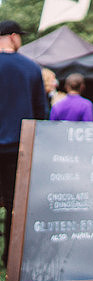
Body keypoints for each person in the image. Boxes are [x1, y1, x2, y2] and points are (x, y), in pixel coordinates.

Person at [0, 20, 46, 266]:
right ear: (13, 37)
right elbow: (41, 112)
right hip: (18, 147)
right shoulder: (31, 68)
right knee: (14, 203)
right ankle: (11, 256)